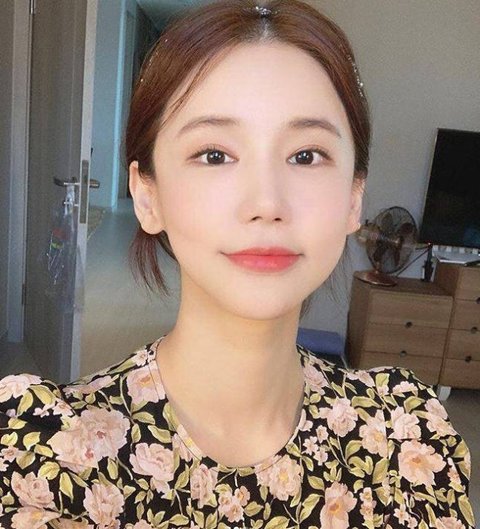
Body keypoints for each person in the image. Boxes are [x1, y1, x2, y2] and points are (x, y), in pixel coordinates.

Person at [0, 0, 475, 527]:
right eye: (215, 155)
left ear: (353, 198)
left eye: (306, 155)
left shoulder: (408, 438)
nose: (266, 203)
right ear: (147, 195)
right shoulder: (43, 458)